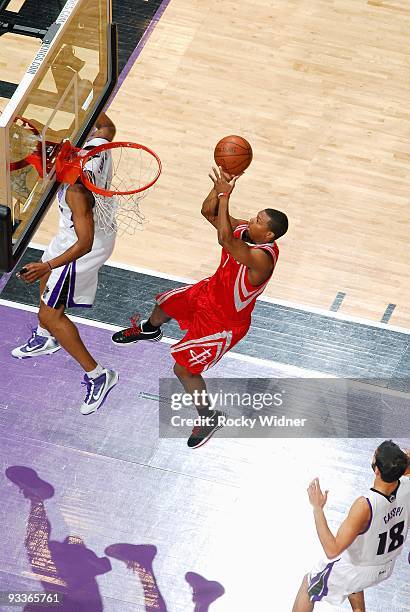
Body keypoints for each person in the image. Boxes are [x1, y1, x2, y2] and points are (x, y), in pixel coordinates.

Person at [112, 166, 288, 448]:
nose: (251, 220)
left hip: (223, 323)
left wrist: (225, 195)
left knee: (184, 371)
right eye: (254, 216)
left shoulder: (262, 258)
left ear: (268, 236)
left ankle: (208, 416)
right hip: (209, 291)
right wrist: (219, 189)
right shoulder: (244, 230)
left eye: (258, 221)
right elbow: (208, 212)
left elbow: (225, 239)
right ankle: (148, 330)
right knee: (165, 303)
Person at [12, 112, 119, 415]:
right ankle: (46, 337)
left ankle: (99, 375)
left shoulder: (75, 192)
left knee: (52, 310)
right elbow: (107, 126)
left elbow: (84, 243)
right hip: (77, 231)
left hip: (85, 246)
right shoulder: (94, 152)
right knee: (47, 279)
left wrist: (47, 267)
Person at [292, 440, 410, 612]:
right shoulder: (407, 484)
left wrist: (317, 508)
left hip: (359, 568)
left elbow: (332, 550)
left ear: (377, 470)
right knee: (352, 569)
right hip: (385, 566)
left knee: (309, 584)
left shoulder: (365, 505)